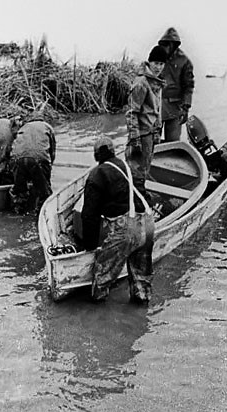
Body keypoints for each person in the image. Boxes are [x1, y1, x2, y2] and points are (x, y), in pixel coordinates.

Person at [78, 136, 154, 304]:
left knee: (102, 276)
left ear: (96, 156)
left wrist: (89, 247)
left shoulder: (97, 175)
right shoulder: (131, 167)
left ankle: (96, 316)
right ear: (113, 151)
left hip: (126, 229)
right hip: (148, 223)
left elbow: (89, 216)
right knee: (141, 281)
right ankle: (141, 317)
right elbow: (145, 196)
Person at [125, 46, 166, 192]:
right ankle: (135, 196)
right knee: (136, 169)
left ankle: (139, 194)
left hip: (150, 132)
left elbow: (156, 110)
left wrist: (157, 131)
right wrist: (134, 137)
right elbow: (131, 112)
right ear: (150, 62)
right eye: (155, 63)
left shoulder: (156, 82)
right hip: (141, 134)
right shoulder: (142, 82)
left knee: (145, 166)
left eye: (161, 64)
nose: (158, 67)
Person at [9, 116, 56, 215]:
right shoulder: (47, 127)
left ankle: (17, 211)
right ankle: (41, 214)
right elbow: (52, 152)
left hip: (17, 159)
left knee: (19, 190)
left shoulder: (23, 127)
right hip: (39, 159)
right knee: (44, 191)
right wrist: (48, 169)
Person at [155, 28, 194, 142]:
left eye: (168, 45)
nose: (165, 48)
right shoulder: (157, 56)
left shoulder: (184, 61)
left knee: (173, 142)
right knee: (152, 141)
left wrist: (186, 108)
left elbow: (189, 86)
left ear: (173, 45)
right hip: (157, 105)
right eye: (164, 45)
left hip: (175, 107)